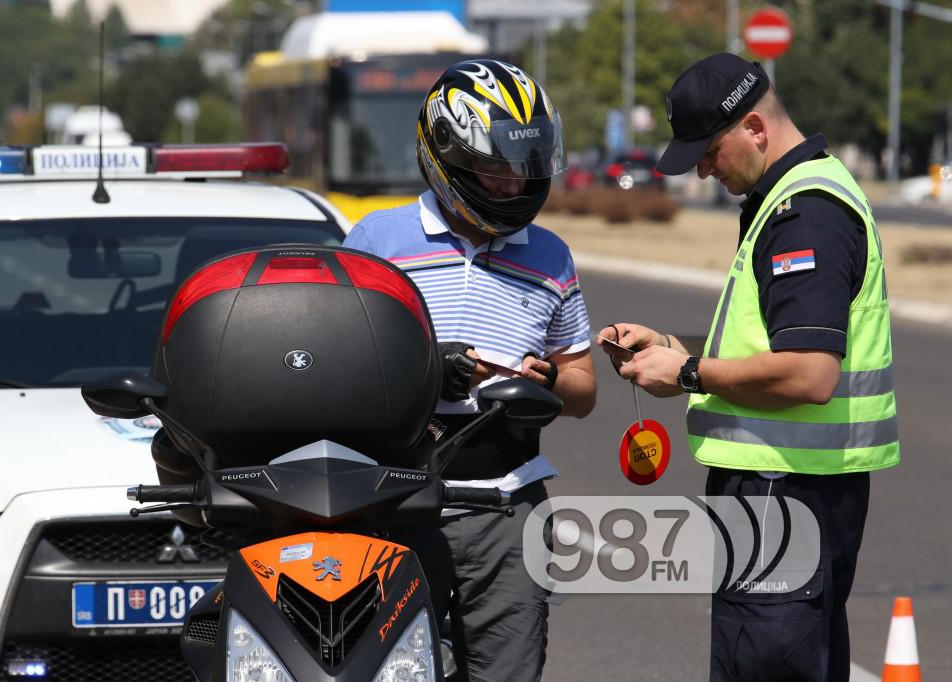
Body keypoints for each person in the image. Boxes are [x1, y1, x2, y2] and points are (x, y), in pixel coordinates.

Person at [598, 53, 899, 682]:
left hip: (779, 491)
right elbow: (770, 339)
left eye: (708, 152)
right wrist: (674, 348)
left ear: (755, 129)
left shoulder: (803, 214)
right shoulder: (798, 195)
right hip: (797, 490)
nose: (704, 169)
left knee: (760, 665)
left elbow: (808, 372)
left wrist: (687, 376)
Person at [343, 58, 597, 681]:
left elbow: (584, 388)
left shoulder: (552, 255)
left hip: (509, 510)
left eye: (526, 167)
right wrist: (425, 370)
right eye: (496, 169)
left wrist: (548, 384)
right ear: (445, 160)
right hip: (396, 504)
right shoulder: (377, 241)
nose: (515, 184)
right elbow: (337, 369)